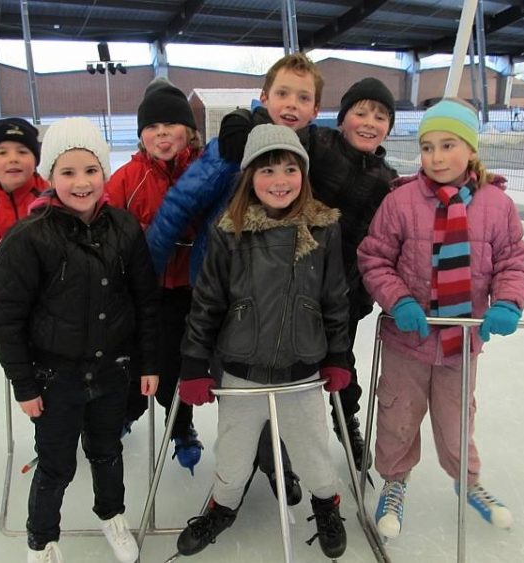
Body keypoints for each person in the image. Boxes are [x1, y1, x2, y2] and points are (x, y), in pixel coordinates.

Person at [146, 52, 325, 505]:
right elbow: (178, 205)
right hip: (226, 292)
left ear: (315, 110)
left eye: (302, 97)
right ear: (264, 96)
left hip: (284, 294)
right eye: (282, 93)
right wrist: (145, 278)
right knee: (239, 387)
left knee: (282, 378)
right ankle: (240, 471)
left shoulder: (312, 152)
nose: (291, 103)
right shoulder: (232, 146)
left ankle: (273, 459)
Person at [174, 124, 351, 559]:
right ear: (250, 176)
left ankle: (326, 504)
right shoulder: (228, 231)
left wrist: (338, 354)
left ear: (303, 176)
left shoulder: (323, 229)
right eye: (267, 170)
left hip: (301, 369)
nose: (280, 180)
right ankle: (223, 506)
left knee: (312, 453)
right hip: (241, 369)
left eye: (290, 169)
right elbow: (208, 301)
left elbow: (335, 298)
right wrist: (194, 362)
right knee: (232, 455)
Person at [0, 117, 160, 563]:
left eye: (91, 170)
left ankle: (111, 514)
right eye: (68, 172)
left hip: (111, 369)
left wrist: (147, 362)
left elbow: (145, 301)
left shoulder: (125, 228)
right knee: (56, 464)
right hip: (54, 377)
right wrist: (24, 385)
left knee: (107, 451)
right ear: (48, 176)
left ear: (104, 172)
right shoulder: (28, 237)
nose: (81, 182)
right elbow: (6, 318)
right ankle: (42, 539)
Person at [357, 98, 524, 539]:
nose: (435, 157)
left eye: (447, 145)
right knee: (398, 416)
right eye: (427, 147)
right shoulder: (400, 201)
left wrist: (508, 301)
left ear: (471, 149)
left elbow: (512, 260)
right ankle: (395, 483)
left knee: (457, 420)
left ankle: (468, 482)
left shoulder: (497, 205)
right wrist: (400, 302)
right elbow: (374, 259)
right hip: (407, 340)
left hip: (462, 342)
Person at [105, 77, 204, 475]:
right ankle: (125, 413)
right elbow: (103, 219)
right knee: (133, 360)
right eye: (152, 128)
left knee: (179, 364)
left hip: (189, 290)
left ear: (189, 131)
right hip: (141, 291)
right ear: (142, 135)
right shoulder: (128, 177)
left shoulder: (202, 171)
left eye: (170, 126)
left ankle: (181, 424)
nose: (161, 135)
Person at [299, 77, 398, 472]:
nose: (369, 121)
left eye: (380, 116)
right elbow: (277, 133)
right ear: (342, 119)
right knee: (289, 361)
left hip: (347, 291)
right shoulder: (318, 145)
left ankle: (346, 421)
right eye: (360, 112)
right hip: (296, 281)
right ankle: (280, 445)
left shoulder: (388, 180)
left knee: (342, 361)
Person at [0, 117, 48, 273]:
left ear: (35, 160)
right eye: (2, 152)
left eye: (22, 151)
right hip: (11, 288)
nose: (13, 159)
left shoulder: (53, 198)